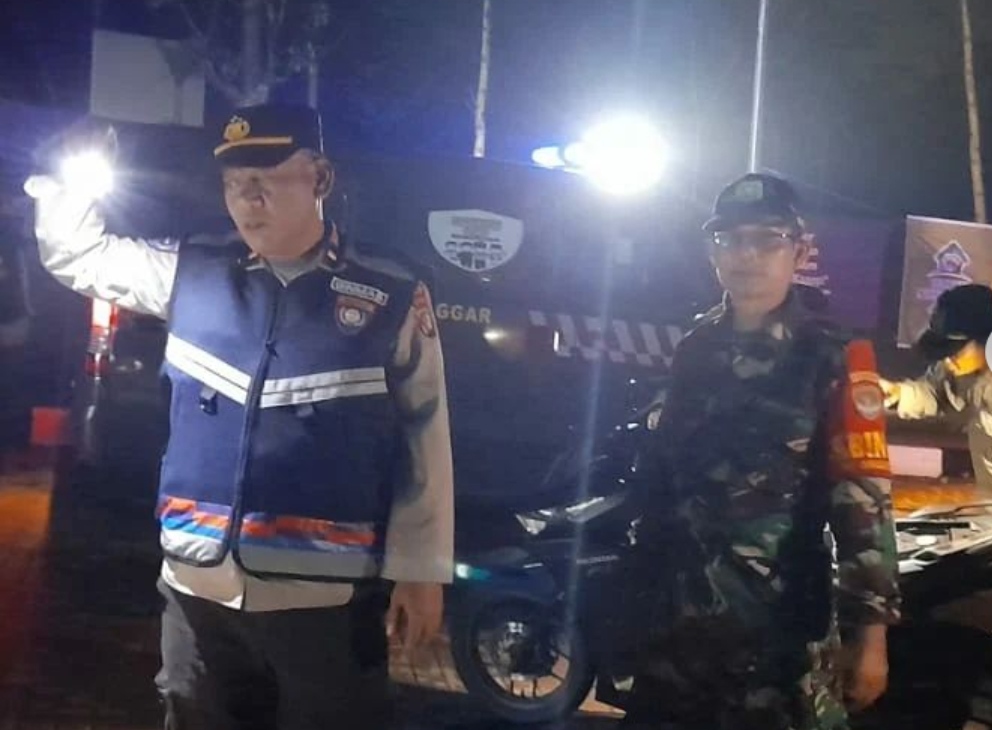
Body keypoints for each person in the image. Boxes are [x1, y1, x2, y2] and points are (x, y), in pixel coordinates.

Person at [25, 103, 454, 730]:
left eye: (266, 180)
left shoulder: (390, 292)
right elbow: (78, 256)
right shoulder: (190, 269)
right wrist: (70, 180)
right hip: (196, 588)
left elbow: (426, 429)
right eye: (233, 183)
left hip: (325, 602)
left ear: (320, 178)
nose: (247, 200)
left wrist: (420, 573)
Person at [623, 173, 900, 730]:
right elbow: (662, 480)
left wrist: (870, 637)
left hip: (778, 641)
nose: (746, 254)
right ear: (711, 252)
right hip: (677, 634)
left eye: (766, 239)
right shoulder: (695, 347)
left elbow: (863, 502)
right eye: (730, 239)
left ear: (800, 252)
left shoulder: (834, 355)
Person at [880, 283, 992, 496]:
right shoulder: (957, 369)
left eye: (955, 352)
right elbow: (935, 392)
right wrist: (900, 394)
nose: (948, 362)